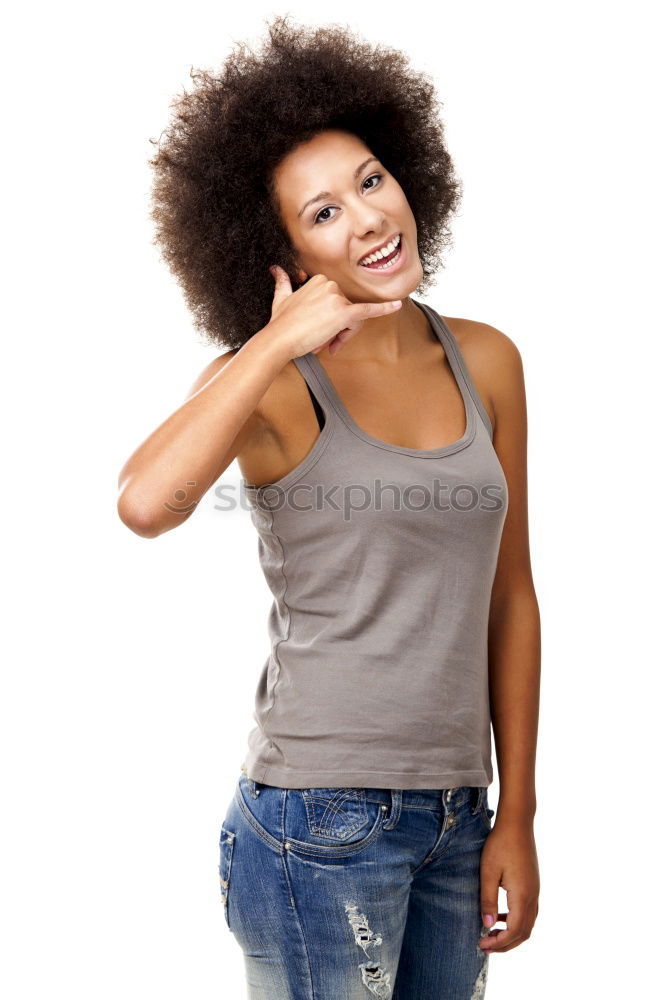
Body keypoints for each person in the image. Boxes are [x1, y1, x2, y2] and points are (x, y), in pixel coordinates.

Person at [117, 15, 541, 999]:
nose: (369, 219)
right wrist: (270, 344)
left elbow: (510, 597)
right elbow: (144, 503)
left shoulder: (488, 360)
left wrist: (515, 809)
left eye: (369, 180)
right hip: (317, 825)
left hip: (456, 815)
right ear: (281, 253)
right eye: (322, 214)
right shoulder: (271, 385)